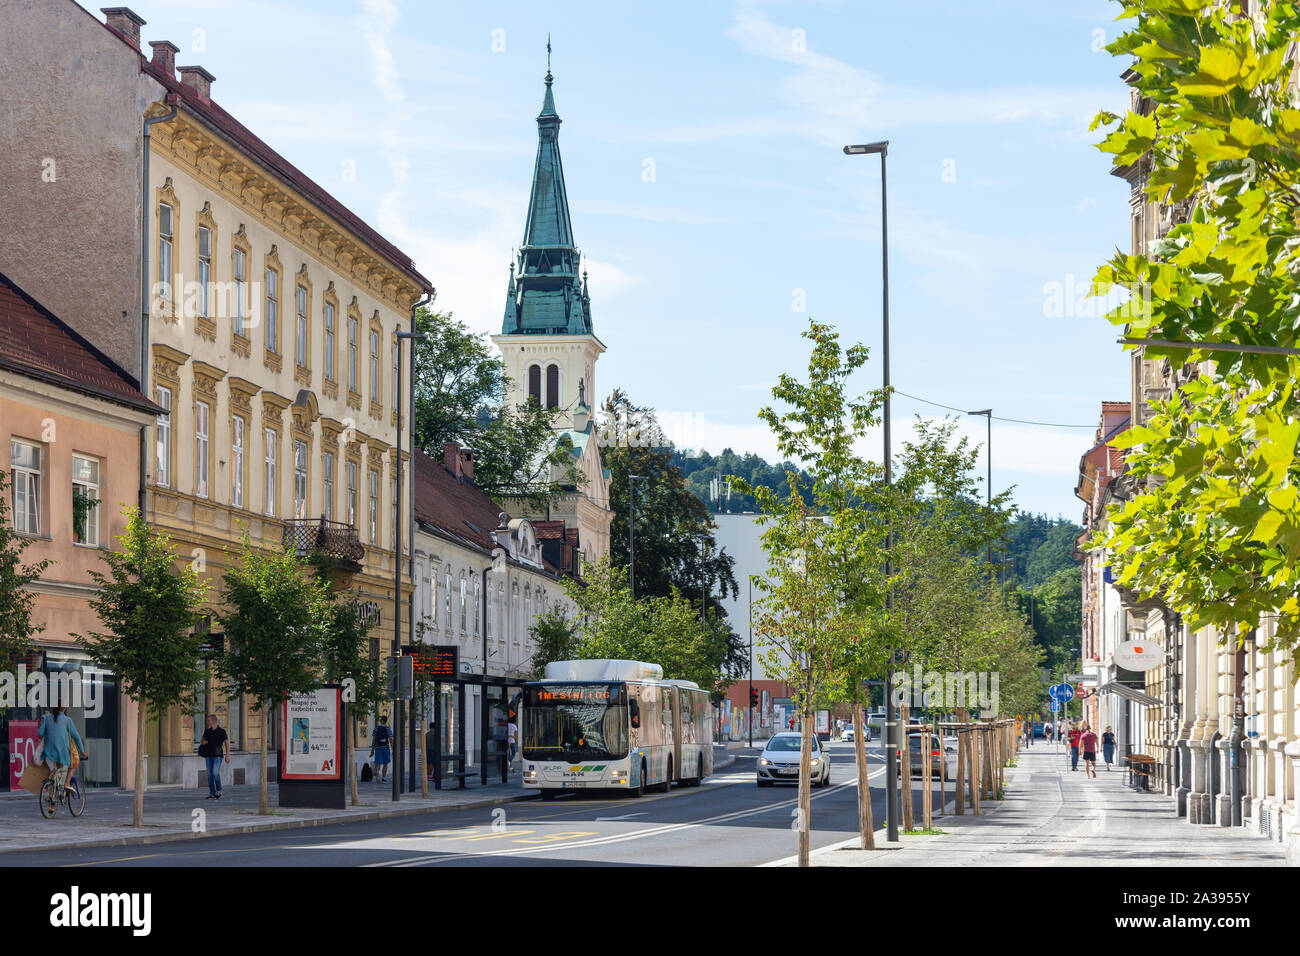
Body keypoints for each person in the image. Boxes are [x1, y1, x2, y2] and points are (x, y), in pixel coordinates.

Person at [37, 706, 87, 791]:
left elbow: (40, 732)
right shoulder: (67, 720)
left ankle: (51, 800)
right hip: (62, 755)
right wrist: (82, 752)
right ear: (64, 708)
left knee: (54, 776)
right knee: (69, 766)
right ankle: (66, 784)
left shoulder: (47, 718)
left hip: (49, 754)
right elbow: (77, 737)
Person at [199, 714, 230, 799]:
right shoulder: (207, 731)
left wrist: (227, 755)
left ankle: (219, 790)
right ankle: (212, 793)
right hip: (208, 755)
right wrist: (203, 742)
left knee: (215, 772)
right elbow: (202, 740)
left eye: (208, 720)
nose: (207, 722)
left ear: (214, 721)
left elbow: (227, 743)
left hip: (218, 756)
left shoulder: (222, 731)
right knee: (209, 775)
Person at [370, 715, 393, 783]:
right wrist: (393, 749)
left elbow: (373, 740)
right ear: (386, 721)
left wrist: (372, 750)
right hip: (385, 748)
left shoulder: (376, 729)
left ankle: (377, 773)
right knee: (385, 763)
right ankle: (384, 778)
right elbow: (391, 740)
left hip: (377, 748)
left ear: (380, 721)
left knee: (378, 763)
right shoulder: (388, 729)